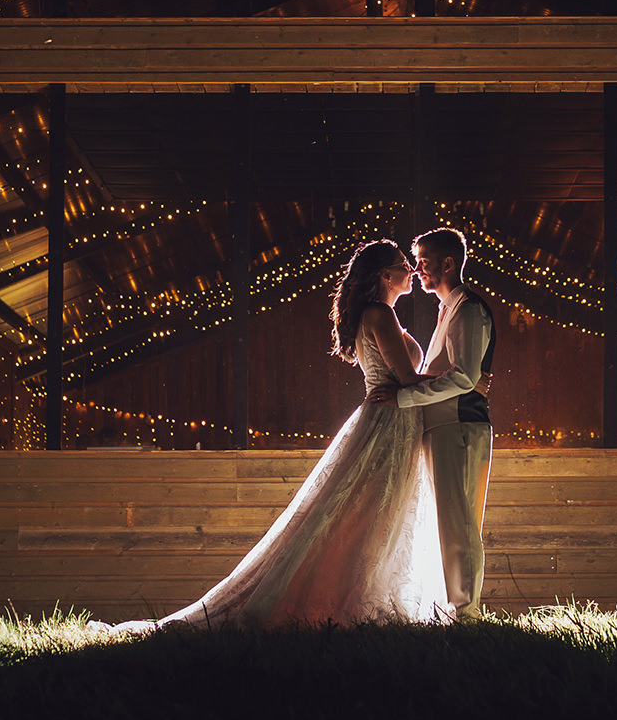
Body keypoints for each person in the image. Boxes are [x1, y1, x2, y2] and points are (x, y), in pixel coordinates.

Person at [149, 239, 450, 628]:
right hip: (389, 424)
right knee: (368, 513)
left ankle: (360, 597)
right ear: (385, 275)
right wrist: (460, 379)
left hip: (393, 419)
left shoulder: (377, 314)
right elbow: (407, 379)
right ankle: (346, 601)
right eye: (403, 265)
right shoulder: (378, 314)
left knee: (371, 514)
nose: (411, 270)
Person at [368, 226, 494, 621]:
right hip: (442, 426)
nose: (417, 269)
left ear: (448, 263)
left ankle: (467, 614)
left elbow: (463, 377)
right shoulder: (448, 309)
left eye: (422, 262)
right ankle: (454, 608)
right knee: (449, 523)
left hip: (458, 425)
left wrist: (404, 396)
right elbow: (452, 373)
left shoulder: (469, 309)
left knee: (459, 524)